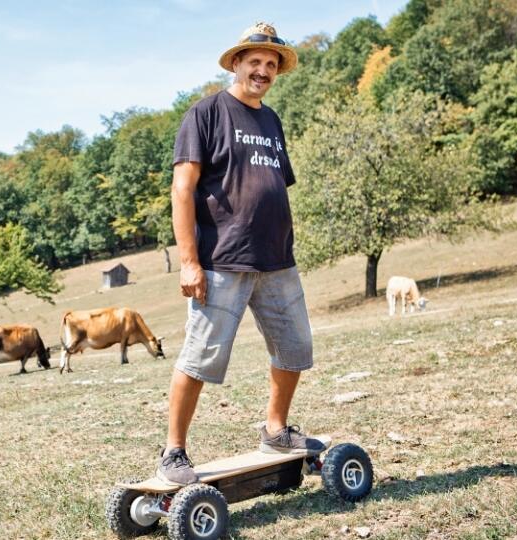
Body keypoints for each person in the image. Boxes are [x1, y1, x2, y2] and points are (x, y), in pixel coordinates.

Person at [157, 22, 324, 486]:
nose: (263, 70)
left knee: (295, 349)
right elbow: (182, 188)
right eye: (255, 61)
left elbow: (270, 185)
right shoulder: (205, 113)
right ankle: (173, 452)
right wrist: (189, 261)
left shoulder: (271, 121)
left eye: (271, 64)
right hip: (221, 261)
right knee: (199, 359)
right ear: (236, 63)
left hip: (277, 260)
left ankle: (276, 430)